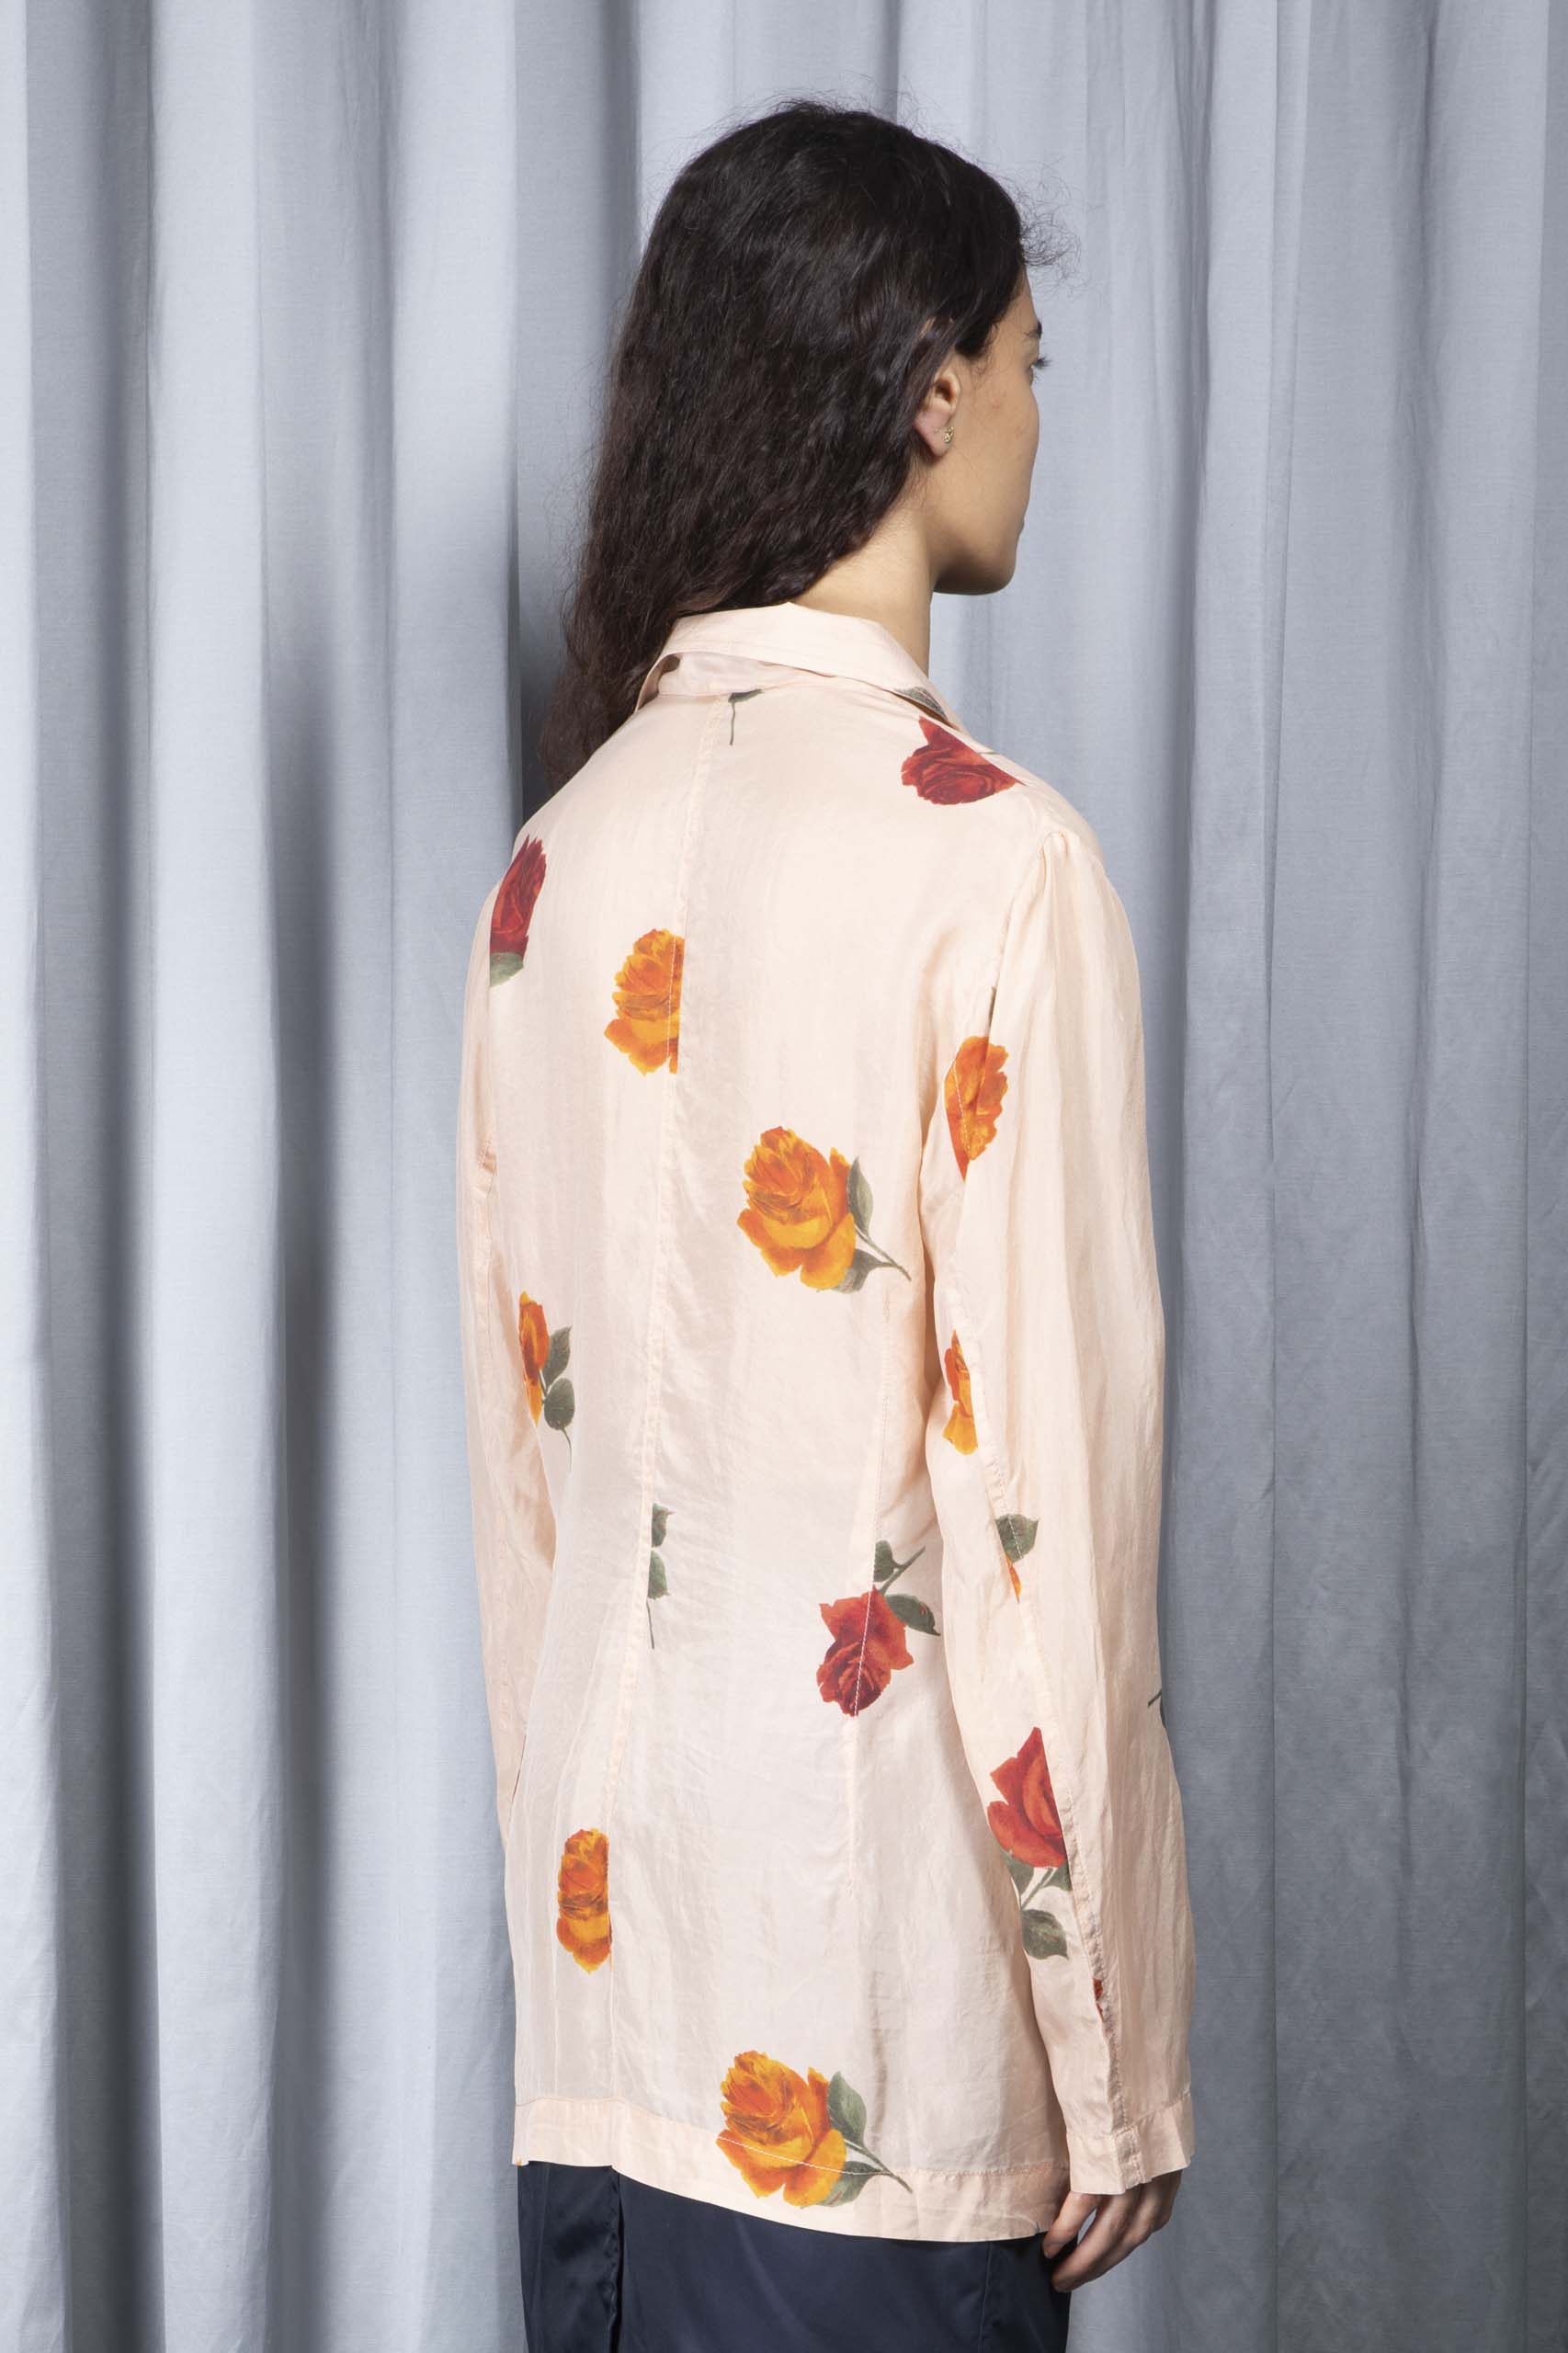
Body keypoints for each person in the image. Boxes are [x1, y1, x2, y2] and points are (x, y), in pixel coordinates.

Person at [455, 95, 1197, 2353]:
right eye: (1031, 361)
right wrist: (1115, 2050)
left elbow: (529, 1512)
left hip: (601, 2069)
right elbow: (1038, 1519)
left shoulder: (554, 862)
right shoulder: (993, 861)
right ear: (930, 389)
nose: (1040, 415)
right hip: (872, 2067)